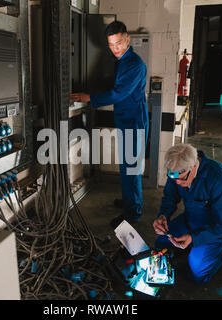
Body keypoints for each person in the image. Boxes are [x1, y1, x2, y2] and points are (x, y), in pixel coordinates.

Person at [70, 21, 148, 227]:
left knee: (130, 168)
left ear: (127, 39)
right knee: (126, 166)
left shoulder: (133, 64)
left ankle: (133, 213)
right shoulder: (121, 61)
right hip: (126, 120)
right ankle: (130, 201)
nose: (116, 48)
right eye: (112, 44)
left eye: (119, 43)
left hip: (134, 121)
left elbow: (119, 93)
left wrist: (90, 98)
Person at [152, 144, 222, 284]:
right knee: (161, 243)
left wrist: (195, 238)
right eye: (174, 179)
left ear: (194, 166)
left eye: (181, 179)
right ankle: (193, 247)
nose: (178, 183)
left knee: (197, 272)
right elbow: (170, 198)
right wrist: (163, 216)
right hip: (190, 219)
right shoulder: (177, 171)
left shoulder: (219, 178)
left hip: (214, 229)